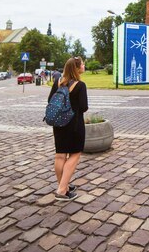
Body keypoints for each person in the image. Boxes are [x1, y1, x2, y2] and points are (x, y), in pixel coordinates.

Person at [48, 56, 88, 201]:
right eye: (82, 64)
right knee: (74, 155)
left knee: (60, 155)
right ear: (77, 68)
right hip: (74, 125)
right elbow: (83, 107)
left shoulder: (58, 82)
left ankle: (63, 186)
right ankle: (61, 190)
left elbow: (50, 101)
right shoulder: (80, 85)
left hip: (58, 125)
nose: (84, 66)